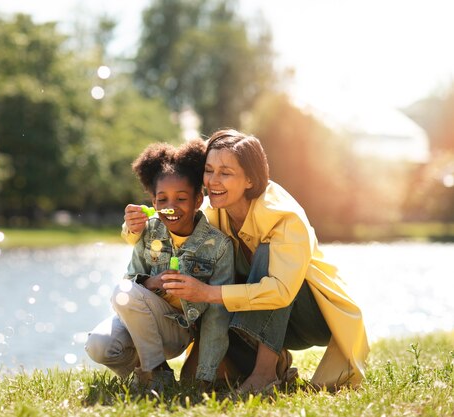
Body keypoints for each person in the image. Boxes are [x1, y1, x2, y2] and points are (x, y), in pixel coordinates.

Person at [122, 128, 369, 393]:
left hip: (311, 318)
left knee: (265, 252)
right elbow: (170, 222)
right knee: (193, 379)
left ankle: (264, 375)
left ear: (250, 180)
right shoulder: (214, 211)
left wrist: (207, 293)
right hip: (261, 318)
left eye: (226, 173)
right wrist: (132, 228)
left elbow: (280, 292)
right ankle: (279, 365)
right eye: (209, 170)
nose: (213, 181)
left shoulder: (283, 217)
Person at [85, 139, 235, 391]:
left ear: (198, 200)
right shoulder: (149, 231)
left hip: (177, 329)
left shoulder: (218, 246)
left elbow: (218, 316)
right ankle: (155, 370)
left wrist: (205, 375)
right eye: (162, 200)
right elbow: (128, 284)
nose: (171, 208)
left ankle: (154, 372)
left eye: (181, 198)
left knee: (125, 293)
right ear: (153, 203)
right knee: (99, 345)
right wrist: (150, 283)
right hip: (140, 324)